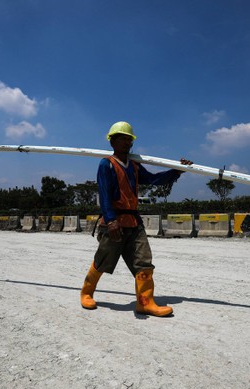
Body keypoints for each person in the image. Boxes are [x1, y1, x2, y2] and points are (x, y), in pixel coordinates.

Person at [80, 121, 193, 317]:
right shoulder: (106, 164)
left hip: (134, 222)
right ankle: (86, 293)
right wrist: (111, 220)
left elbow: (154, 180)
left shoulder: (134, 166)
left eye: (129, 140)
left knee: (144, 262)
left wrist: (176, 170)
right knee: (102, 260)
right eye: (122, 139)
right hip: (113, 222)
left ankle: (145, 302)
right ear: (112, 141)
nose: (127, 143)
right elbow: (104, 195)